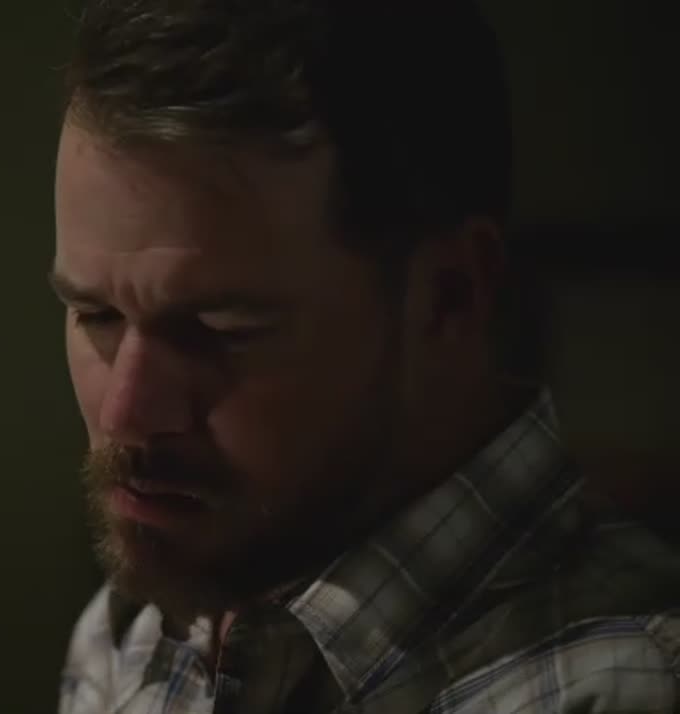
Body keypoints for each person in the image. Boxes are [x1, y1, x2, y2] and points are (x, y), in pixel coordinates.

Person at [51, 1, 680, 712]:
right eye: (96, 315)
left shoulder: (625, 687)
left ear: (448, 295)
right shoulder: (129, 635)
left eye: (221, 329)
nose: (127, 412)